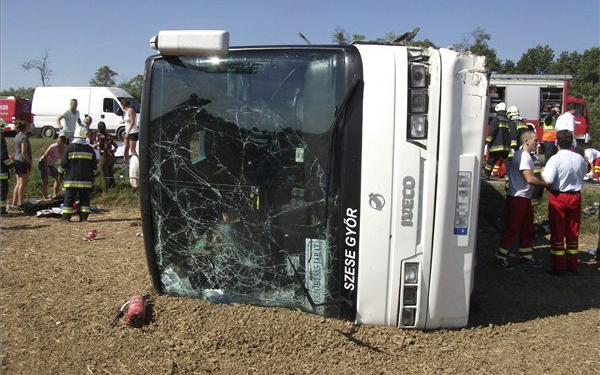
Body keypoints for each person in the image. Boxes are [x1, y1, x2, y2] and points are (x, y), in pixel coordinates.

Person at [495, 130, 548, 270]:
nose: (537, 143)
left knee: (527, 227)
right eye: (535, 140)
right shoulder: (524, 157)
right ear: (526, 141)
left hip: (523, 197)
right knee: (513, 228)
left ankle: (526, 256)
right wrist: (547, 184)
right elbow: (529, 179)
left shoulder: (524, 155)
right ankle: (500, 256)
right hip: (518, 197)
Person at [541, 130, 586, 276]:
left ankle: (558, 267)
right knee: (573, 231)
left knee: (558, 231)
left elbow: (547, 180)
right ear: (572, 142)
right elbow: (583, 173)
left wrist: (540, 172)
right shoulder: (579, 158)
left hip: (559, 196)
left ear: (556, 142)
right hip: (575, 197)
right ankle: (573, 265)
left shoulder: (555, 159)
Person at [60, 125, 97, 222]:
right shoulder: (90, 149)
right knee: (85, 199)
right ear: (85, 136)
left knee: (69, 198)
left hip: (71, 180)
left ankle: (66, 218)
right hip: (86, 180)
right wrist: (93, 176)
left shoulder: (69, 148)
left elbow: (63, 164)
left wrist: (59, 174)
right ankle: (84, 217)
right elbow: (94, 167)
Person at [484, 102, 515, 178]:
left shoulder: (495, 119)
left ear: (497, 110)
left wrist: (487, 142)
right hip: (506, 147)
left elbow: (492, 132)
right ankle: (508, 178)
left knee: (491, 161)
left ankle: (486, 175)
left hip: (496, 146)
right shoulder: (508, 120)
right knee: (507, 163)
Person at [10, 121, 32, 209]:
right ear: (25, 127)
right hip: (22, 161)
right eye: (28, 126)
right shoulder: (24, 137)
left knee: (18, 183)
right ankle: (21, 203)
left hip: (16, 159)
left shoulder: (17, 136)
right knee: (22, 184)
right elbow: (23, 151)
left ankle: (14, 203)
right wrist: (29, 161)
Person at [94, 121, 117, 192]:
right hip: (112, 157)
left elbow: (100, 146)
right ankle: (113, 186)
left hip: (104, 157)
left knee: (103, 175)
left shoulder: (99, 136)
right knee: (110, 172)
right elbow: (115, 145)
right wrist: (113, 151)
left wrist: (94, 146)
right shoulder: (109, 135)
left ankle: (105, 191)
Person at [0, 119, 14, 215]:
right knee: (2, 189)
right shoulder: (1, 138)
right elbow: (4, 156)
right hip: (1, 171)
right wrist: (11, 165)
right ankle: (1, 210)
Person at [121, 98, 139, 164]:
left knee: (132, 149)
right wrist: (122, 122)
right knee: (126, 147)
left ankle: (138, 162)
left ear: (123, 104)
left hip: (133, 132)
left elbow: (133, 122)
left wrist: (128, 132)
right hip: (127, 131)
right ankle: (126, 161)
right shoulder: (125, 112)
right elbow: (127, 121)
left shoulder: (130, 110)